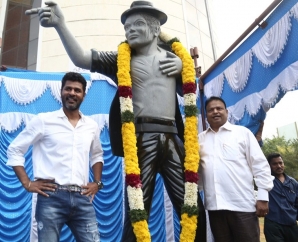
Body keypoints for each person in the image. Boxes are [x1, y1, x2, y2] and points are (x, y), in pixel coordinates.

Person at [25, 1, 206, 241]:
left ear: (155, 30)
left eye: (138, 24)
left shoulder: (175, 60)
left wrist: (184, 67)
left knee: (192, 206)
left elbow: (190, 91)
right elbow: (81, 58)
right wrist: (60, 25)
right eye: (127, 26)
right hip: (140, 139)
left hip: (173, 138)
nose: (130, 30)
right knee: (137, 210)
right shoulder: (121, 59)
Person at [6, 72, 104, 242]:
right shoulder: (44, 120)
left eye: (77, 90)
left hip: (82, 197)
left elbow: (97, 155)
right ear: (61, 91)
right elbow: (15, 149)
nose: (72, 93)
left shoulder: (91, 126)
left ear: (83, 95)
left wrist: (97, 182)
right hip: (51, 197)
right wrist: (27, 183)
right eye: (68, 89)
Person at [198, 96, 274, 242]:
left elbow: (260, 165)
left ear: (226, 111)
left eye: (219, 108)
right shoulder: (199, 140)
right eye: (210, 110)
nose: (215, 112)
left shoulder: (242, 133)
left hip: (242, 206)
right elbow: (199, 173)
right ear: (206, 114)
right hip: (215, 208)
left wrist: (263, 197)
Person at [265, 153, 298, 242]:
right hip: (273, 224)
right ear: (269, 165)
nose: (279, 166)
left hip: (291, 224)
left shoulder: (293, 183)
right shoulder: (266, 181)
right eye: (274, 164)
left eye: (280, 163)